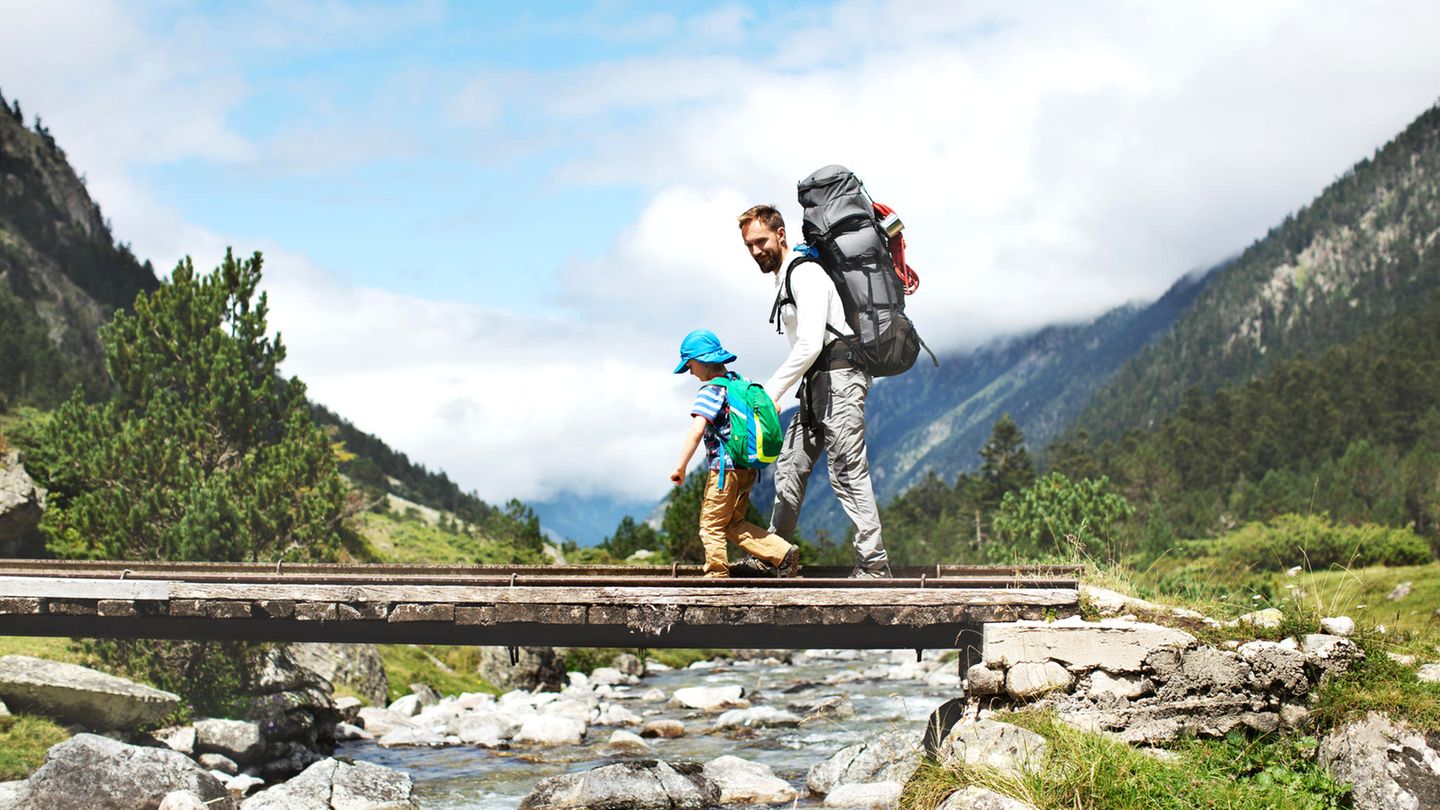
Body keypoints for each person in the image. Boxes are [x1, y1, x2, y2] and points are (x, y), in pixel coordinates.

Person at [737, 204, 892, 578]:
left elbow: (808, 344)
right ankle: (774, 555)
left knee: (846, 469)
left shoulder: (805, 273)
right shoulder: (786, 277)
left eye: (761, 241)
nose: (757, 250)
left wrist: (768, 395)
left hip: (839, 379)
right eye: (749, 245)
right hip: (816, 382)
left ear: (780, 234)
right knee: (790, 466)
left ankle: (874, 565)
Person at [669, 328, 799, 579]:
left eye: (690, 365)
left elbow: (696, 431)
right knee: (732, 523)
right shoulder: (741, 384)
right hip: (747, 469)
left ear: (702, 360)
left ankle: (717, 576)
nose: (691, 372)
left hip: (723, 471)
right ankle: (783, 553)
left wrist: (680, 467)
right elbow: (775, 407)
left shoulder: (711, 391)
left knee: (711, 524)